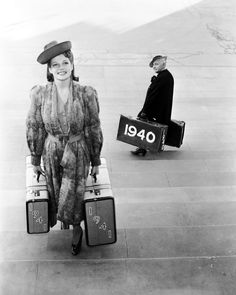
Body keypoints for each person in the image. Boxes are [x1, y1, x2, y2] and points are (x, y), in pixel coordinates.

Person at [26, 41, 103, 255]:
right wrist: (35, 158)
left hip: (78, 151)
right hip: (51, 151)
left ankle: (77, 229)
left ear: (72, 65)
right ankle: (65, 221)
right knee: (56, 189)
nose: (61, 68)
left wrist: (96, 160)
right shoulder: (39, 94)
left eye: (65, 62)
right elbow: (34, 126)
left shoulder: (86, 93)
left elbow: (93, 127)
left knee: (75, 193)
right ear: (49, 69)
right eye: (55, 64)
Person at [131, 55, 174, 156]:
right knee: (147, 127)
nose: (154, 66)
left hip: (155, 109)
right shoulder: (165, 75)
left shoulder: (163, 77)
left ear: (163, 64)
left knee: (143, 125)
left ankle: (143, 148)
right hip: (159, 109)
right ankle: (144, 147)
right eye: (153, 64)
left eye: (156, 64)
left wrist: (145, 110)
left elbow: (153, 96)